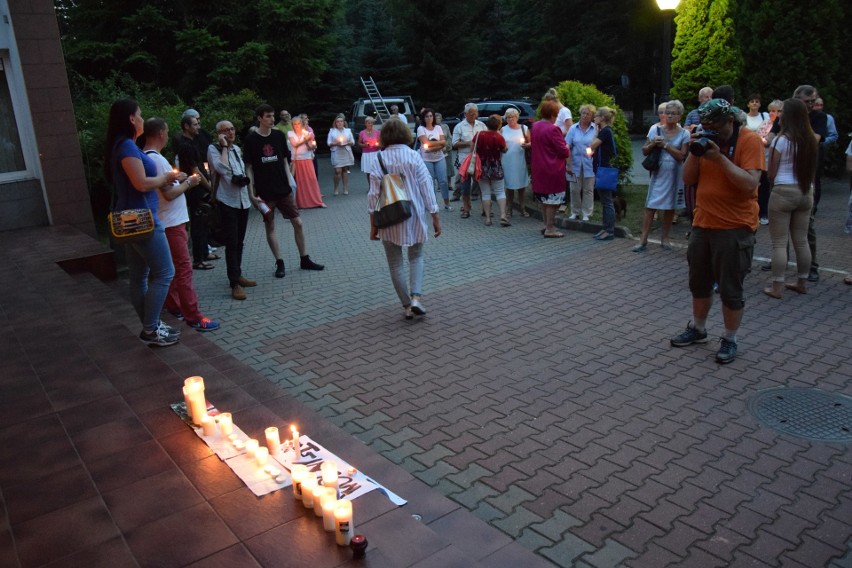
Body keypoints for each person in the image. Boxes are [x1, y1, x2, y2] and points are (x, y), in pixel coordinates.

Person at [669, 99, 764, 365]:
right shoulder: (704, 141)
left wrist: (719, 158)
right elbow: (689, 180)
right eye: (705, 126)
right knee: (698, 283)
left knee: (730, 288)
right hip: (703, 223)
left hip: (735, 227)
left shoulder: (749, 140)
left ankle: (730, 338)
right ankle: (698, 329)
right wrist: (695, 152)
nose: (711, 131)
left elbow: (749, 184)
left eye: (715, 127)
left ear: (729, 121)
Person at [105, 99, 181, 346]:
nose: (141, 118)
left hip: (131, 218)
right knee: (165, 272)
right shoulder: (126, 146)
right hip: (142, 219)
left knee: (139, 276)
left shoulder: (123, 145)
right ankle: (151, 328)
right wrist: (165, 178)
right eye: (139, 114)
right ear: (130, 119)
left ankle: (151, 326)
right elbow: (140, 182)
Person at [140, 118, 220, 331]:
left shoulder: (150, 158)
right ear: (159, 133)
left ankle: (174, 305)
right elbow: (168, 194)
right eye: (166, 131)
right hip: (170, 223)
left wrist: (178, 178)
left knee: (173, 268)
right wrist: (189, 182)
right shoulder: (155, 160)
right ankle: (192, 315)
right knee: (183, 268)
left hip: (168, 222)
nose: (168, 135)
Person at [368, 118, 441, 320]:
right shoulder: (414, 156)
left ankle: (407, 305)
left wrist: (372, 226)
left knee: (395, 263)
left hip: (388, 216)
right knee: (416, 256)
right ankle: (416, 297)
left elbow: (373, 195)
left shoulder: (378, 159)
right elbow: (426, 187)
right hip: (414, 214)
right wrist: (434, 215)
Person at [243, 104, 324, 278]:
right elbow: (248, 167)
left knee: (298, 223)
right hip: (265, 191)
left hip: (283, 188)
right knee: (270, 226)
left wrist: (290, 181)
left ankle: (304, 259)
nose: (272, 119)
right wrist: (251, 192)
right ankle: (279, 262)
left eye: (273, 116)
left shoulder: (278, 136)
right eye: (268, 116)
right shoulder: (251, 140)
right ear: (259, 118)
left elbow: (285, 161)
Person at [763, 98, 818, 299]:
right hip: (805, 191)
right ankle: (802, 282)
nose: (780, 114)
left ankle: (777, 286)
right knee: (801, 241)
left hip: (783, 190)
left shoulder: (781, 140)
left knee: (779, 242)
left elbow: (771, 172)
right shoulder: (811, 139)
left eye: (783, 111)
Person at [208, 120, 257, 301]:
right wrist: (224, 147)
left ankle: (238, 274)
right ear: (219, 134)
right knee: (231, 242)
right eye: (225, 130)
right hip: (227, 202)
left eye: (232, 129)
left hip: (242, 201)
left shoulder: (236, 148)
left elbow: (242, 173)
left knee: (240, 242)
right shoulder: (214, 149)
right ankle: (234, 283)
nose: (230, 132)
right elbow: (221, 168)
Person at [634, 100, 689, 251]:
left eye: (673, 113)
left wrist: (665, 145)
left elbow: (682, 156)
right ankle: (643, 239)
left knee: (670, 207)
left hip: (675, 174)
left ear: (680, 116)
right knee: (650, 205)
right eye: (667, 113)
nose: (669, 116)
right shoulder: (655, 130)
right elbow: (645, 151)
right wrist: (653, 144)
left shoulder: (685, 133)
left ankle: (665, 238)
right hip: (658, 173)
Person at [177, 114, 217, 270]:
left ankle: (205, 252)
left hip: (200, 187)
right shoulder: (186, 146)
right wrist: (210, 188)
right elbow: (195, 171)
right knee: (198, 223)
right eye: (195, 124)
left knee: (204, 222)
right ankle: (198, 259)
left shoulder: (193, 143)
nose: (198, 127)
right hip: (195, 190)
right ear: (186, 126)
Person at [530, 99, 571, 238]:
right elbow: (563, 151)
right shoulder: (553, 129)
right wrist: (567, 147)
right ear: (553, 114)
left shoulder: (535, 126)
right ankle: (550, 228)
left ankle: (545, 224)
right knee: (553, 201)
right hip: (552, 168)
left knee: (544, 199)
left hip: (538, 167)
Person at [473, 114, 509, 226]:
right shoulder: (498, 137)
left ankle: (488, 218)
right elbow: (504, 150)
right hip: (495, 166)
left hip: (482, 167)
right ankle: (503, 215)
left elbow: (472, 147)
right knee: (499, 191)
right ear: (498, 126)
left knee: (485, 193)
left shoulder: (479, 134)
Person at [589, 107, 619, 241]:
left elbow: (592, 145)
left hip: (604, 169)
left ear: (602, 118)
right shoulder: (605, 131)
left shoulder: (605, 131)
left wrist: (596, 132)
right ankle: (605, 228)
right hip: (601, 168)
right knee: (604, 200)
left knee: (607, 201)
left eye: (596, 116)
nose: (594, 118)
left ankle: (609, 230)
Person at [452, 103, 487, 218]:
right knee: (465, 186)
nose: (473, 115)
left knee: (482, 185)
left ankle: (485, 208)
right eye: (470, 113)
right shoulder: (459, 126)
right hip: (464, 160)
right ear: (465, 114)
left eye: (475, 113)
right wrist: (470, 143)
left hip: (479, 159)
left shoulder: (481, 125)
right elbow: (454, 144)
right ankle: (466, 208)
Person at [564, 104, 597, 221]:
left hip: (590, 164)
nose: (585, 116)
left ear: (592, 116)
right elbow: (567, 146)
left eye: (588, 114)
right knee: (574, 189)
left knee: (588, 189)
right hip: (575, 164)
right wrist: (568, 164)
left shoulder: (595, 129)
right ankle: (575, 211)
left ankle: (587, 213)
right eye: (583, 113)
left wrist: (592, 151)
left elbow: (597, 145)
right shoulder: (573, 128)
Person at [744, 93, 772, 225]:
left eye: (757, 101)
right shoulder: (744, 117)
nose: (754, 103)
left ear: (760, 104)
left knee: (764, 183)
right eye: (752, 101)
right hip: (749, 152)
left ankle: (763, 212)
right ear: (748, 104)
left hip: (763, 152)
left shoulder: (765, 116)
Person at [417, 108, 452, 211]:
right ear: (424, 118)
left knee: (443, 181)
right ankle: (432, 204)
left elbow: (443, 142)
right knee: (430, 181)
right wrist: (439, 144)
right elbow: (425, 143)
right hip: (427, 159)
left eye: (431, 116)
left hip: (439, 157)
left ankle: (447, 203)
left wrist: (433, 146)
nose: (429, 118)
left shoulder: (438, 127)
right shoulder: (421, 129)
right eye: (427, 116)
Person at [288, 117, 325, 209]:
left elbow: (312, 147)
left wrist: (309, 141)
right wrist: (306, 139)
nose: (296, 126)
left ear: (301, 124)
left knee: (312, 179)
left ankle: (317, 201)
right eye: (294, 124)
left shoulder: (308, 133)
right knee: (299, 182)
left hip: (307, 159)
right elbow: (295, 144)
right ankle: (299, 203)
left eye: (298, 124)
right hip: (296, 161)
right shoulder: (290, 133)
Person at [501, 107, 530, 218]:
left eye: (512, 117)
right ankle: (509, 208)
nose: (510, 119)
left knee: (521, 186)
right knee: (509, 187)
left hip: (520, 161)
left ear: (517, 117)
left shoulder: (524, 128)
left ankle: (523, 208)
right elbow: (499, 143)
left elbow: (531, 142)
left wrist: (527, 145)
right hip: (507, 161)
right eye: (508, 117)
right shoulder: (503, 129)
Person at [327, 114, 355, 196]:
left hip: (346, 152)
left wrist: (346, 142)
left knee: (345, 170)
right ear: (335, 123)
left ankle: (345, 188)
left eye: (341, 121)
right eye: (338, 121)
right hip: (337, 152)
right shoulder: (332, 131)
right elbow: (328, 143)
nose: (339, 123)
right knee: (337, 171)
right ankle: (335, 188)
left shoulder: (348, 131)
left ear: (344, 122)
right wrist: (336, 143)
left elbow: (352, 142)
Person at [435, 113, 454, 197]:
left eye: (439, 118)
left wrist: (448, 146)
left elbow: (449, 137)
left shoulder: (445, 126)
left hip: (447, 149)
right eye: (436, 118)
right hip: (437, 150)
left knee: (449, 166)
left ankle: (449, 184)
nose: (438, 119)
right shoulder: (432, 128)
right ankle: (440, 185)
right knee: (439, 167)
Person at [358, 116, 381, 185]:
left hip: (375, 153)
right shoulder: (362, 133)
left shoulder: (377, 132)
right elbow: (359, 143)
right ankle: (370, 187)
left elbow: (381, 143)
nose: (370, 124)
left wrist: (378, 145)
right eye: (368, 123)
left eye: (371, 123)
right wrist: (364, 145)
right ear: (365, 123)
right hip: (367, 154)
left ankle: (378, 185)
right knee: (369, 172)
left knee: (377, 171)